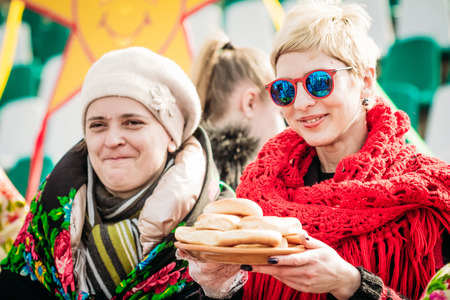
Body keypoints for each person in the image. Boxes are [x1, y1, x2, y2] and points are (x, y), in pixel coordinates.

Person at [178, 1, 450, 299]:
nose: (302, 103)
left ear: (366, 82)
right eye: (286, 89)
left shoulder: (431, 196)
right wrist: (217, 290)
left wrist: (351, 284)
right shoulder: (258, 189)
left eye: (319, 82)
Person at [0, 47, 223, 299]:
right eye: (98, 125)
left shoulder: (223, 227)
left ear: (172, 136)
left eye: (132, 122)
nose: (113, 139)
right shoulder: (45, 219)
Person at [190, 30, 286, 191]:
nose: (285, 127)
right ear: (250, 103)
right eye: (280, 114)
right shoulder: (253, 192)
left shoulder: (185, 173)